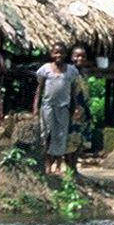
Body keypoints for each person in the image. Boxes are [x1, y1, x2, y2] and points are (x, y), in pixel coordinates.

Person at [32, 45, 85, 176]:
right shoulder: (45, 69)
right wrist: (35, 107)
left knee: (61, 136)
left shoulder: (71, 71)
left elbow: (73, 92)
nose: (58, 55)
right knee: (47, 135)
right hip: (47, 106)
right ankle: (47, 165)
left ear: (65, 55)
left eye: (61, 53)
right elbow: (40, 89)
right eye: (56, 53)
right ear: (51, 54)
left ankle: (58, 166)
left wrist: (75, 108)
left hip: (64, 108)